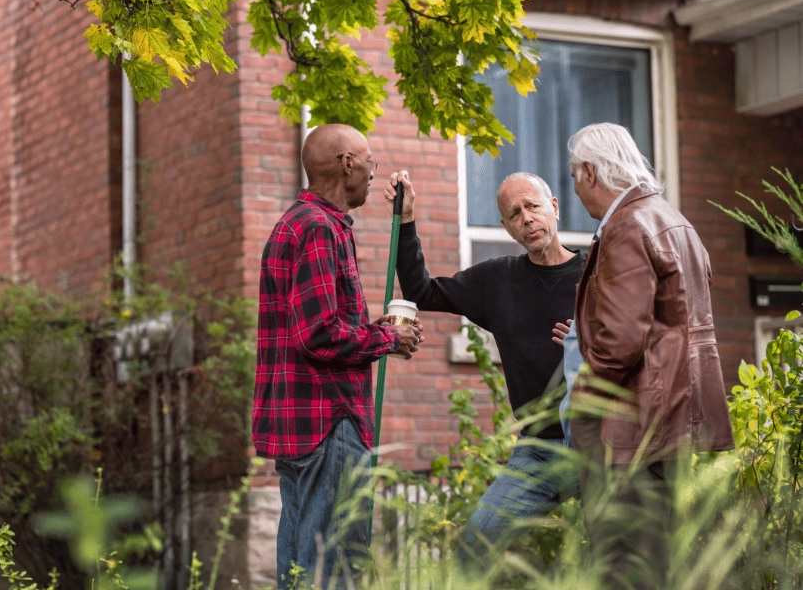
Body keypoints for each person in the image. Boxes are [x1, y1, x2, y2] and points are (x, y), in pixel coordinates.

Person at [254, 124, 424, 589]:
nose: (374, 171)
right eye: (369, 160)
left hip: (303, 423)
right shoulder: (317, 228)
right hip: (328, 420)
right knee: (337, 564)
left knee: (300, 561)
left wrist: (375, 330)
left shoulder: (299, 224)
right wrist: (388, 341)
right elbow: (319, 335)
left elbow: (316, 327)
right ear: (346, 162)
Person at [566, 122, 735, 589]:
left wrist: (581, 395)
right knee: (659, 558)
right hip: (676, 419)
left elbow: (620, 341)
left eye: (575, 177)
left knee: (623, 560)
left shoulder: (625, 227)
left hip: (634, 425)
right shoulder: (674, 220)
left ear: (589, 173)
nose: (576, 189)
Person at [384, 170, 584, 560]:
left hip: (598, 443)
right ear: (506, 228)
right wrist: (406, 220)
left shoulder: (595, 275)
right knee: (474, 549)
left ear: (554, 208)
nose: (526, 218)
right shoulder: (497, 281)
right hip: (539, 450)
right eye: (514, 214)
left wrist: (590, 343)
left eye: (533, 206)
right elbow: (422, 291)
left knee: (618, 556)